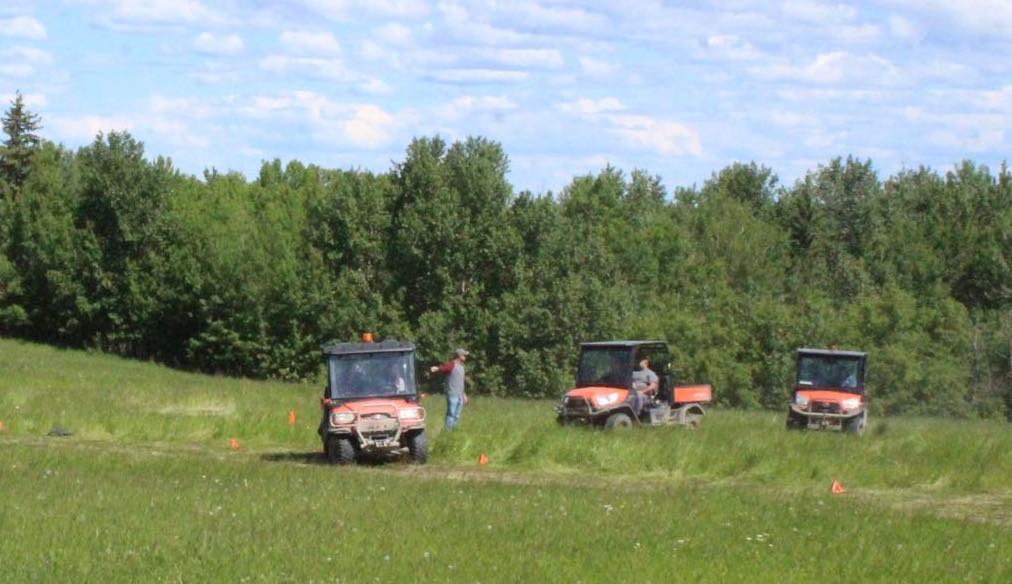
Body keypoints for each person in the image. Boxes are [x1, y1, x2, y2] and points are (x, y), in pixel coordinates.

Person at [430, 348, 469, 430]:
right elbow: (444, 368)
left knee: (457, 415)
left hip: (460, 394)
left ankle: (453, 430)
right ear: (459, 356)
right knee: (451, 413)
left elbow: (461, 383)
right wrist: (436, 368)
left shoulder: (462, 367)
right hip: (452, 393)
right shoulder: (452, 364)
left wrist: (464, 394)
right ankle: (448, 431)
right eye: (464, 355)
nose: (466, 356)